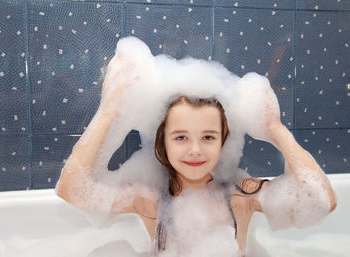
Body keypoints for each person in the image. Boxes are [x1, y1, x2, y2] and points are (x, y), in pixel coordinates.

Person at [55, 54, 337, 257]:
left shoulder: (243, 195)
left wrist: (275, 129)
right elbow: (72, 190)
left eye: (208, 137)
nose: (195, 149)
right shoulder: (150, 199)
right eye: (180, 137)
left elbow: (321, 201)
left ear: (223, 141)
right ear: (162, 142)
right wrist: (109, 112)